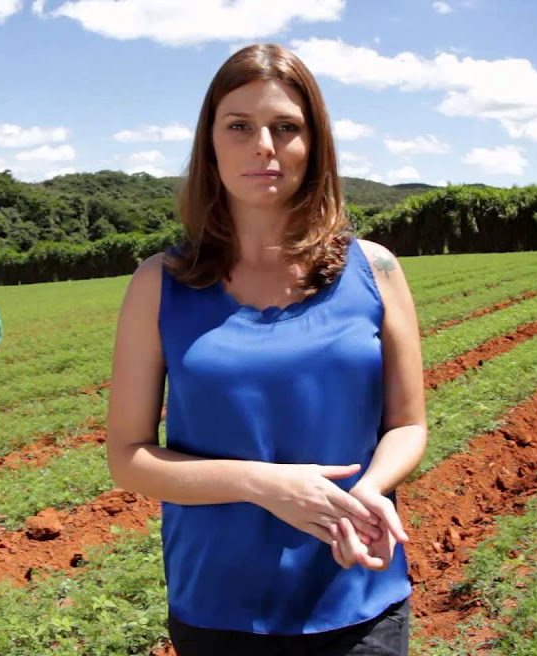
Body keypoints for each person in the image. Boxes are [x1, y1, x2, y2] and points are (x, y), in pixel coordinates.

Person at [107, 43, 427, 655]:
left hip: (357, 592)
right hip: (220, 609)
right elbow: (128, 457)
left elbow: (408, 424)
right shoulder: (159, 285)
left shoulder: (376, 270)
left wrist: (369, 488)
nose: (264, 146)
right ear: (210, 145)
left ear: (315, 144)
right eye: (239, 126)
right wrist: (263, 485)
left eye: (286, 127)